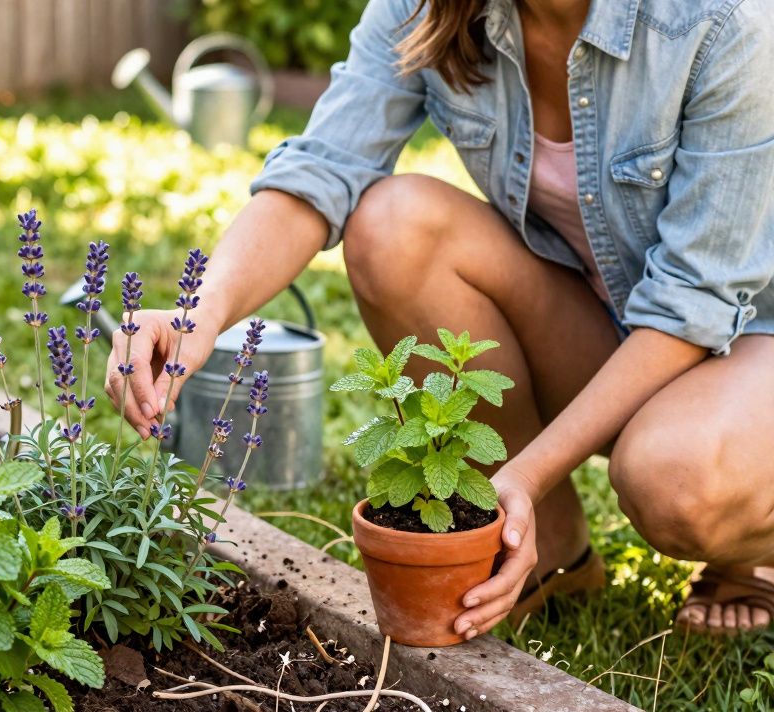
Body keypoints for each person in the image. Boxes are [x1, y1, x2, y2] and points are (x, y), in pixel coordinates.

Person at [105, 0, 774, 637]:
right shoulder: (431, 9)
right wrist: (199, 314)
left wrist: (524, 470)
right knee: (393, 228)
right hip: (616, 320)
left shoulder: (721, 21)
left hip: (748, 335)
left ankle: (749, 520)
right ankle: (553, 553)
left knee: (679, 481)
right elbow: (322, 168)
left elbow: (695, 300)